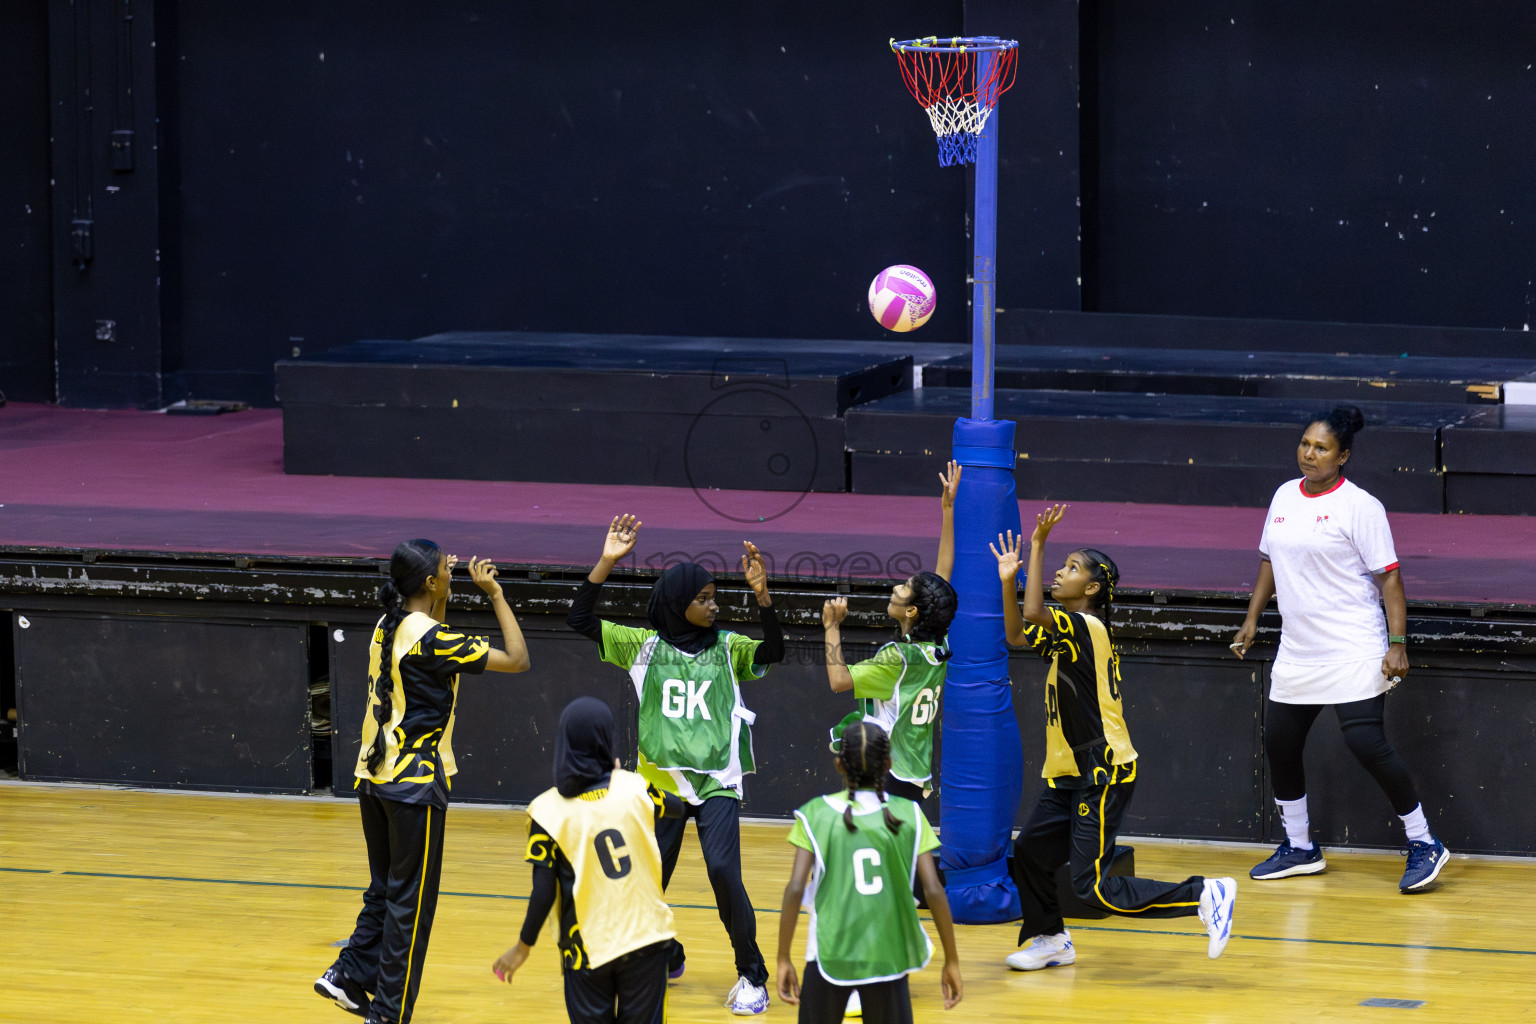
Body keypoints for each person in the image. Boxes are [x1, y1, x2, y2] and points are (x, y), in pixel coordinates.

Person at [992, 507, 1236, 971]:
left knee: (1094, 887)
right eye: (1060, 565)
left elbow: (1032, 612)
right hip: (1070, 772)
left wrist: (1037, 547)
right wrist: (1009, 579)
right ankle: (1051, 939)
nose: (1060, 574)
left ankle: (1204, 893)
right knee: (1028, 852)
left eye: (1070, 568)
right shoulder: (1069, 634)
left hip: (1102, 769)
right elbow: (1016, 635)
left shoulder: (1086, 626)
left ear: (1092, 588)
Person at [566, 516, 785, 1016]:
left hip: (715, 784)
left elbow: (774, 650)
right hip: (659, 787)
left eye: (715, 596)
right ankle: (667, 952)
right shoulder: (642, 648)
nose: (714, 605)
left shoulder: (729, 648)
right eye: (704, 598)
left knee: (725, 871)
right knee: (642, 883)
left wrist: (763, 596)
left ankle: (752, 977)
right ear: (676, 604)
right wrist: (606, 562)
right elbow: (579, 619)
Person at [1232, 405, 1449, 892]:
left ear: (1343, 455)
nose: (1309, 453)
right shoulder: (1285, 495)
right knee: (1280, 743)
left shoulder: (1361, 506)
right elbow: (1269, 561)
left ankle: (1424, 842)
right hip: (1299, 649)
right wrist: (1251, 619)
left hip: (1353, 643)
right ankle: (1300, 847)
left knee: (1364, 741)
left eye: (1322, 447)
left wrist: (1397, 644)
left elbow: (1389, 579)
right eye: (1305, 443)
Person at [316, 540, 531, 1023]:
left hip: (372, 778)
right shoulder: (432, 639)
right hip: (415, 786)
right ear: (429, 583)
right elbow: (518, 659)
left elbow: (435, 629)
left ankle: (347, 975)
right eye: (443, 571)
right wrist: (494, 593)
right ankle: (388, 1015)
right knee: (411, 911)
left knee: (386, 890)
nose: (450, 571)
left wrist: (443, 589)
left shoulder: (387, 624)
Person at [492, 696, 682, 1024]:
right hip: (647, 941)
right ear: (606, 741)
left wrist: (523, 947)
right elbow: (677, 808)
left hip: (586, 951)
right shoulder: (635, 788)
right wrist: (619, 775)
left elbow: (543, 893)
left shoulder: (546, 811)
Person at [775, 720, 962, 1023]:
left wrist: (783, 958)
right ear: (888, 764)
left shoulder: (815, 814)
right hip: (887, 953)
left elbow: (796, 888)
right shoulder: (910, 814)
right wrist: (951, 960)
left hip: (829, 951)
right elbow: (933, 891)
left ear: (839, 765)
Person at [820, 461, 959, 806]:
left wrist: (832, 627)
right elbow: (942, 581)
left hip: (887, 773)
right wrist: (947, 510)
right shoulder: (938, 644)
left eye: (903, 588)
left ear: (912, 611)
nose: (895, 588)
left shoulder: (897, 659)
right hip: (913, 772)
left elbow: (838, 680)